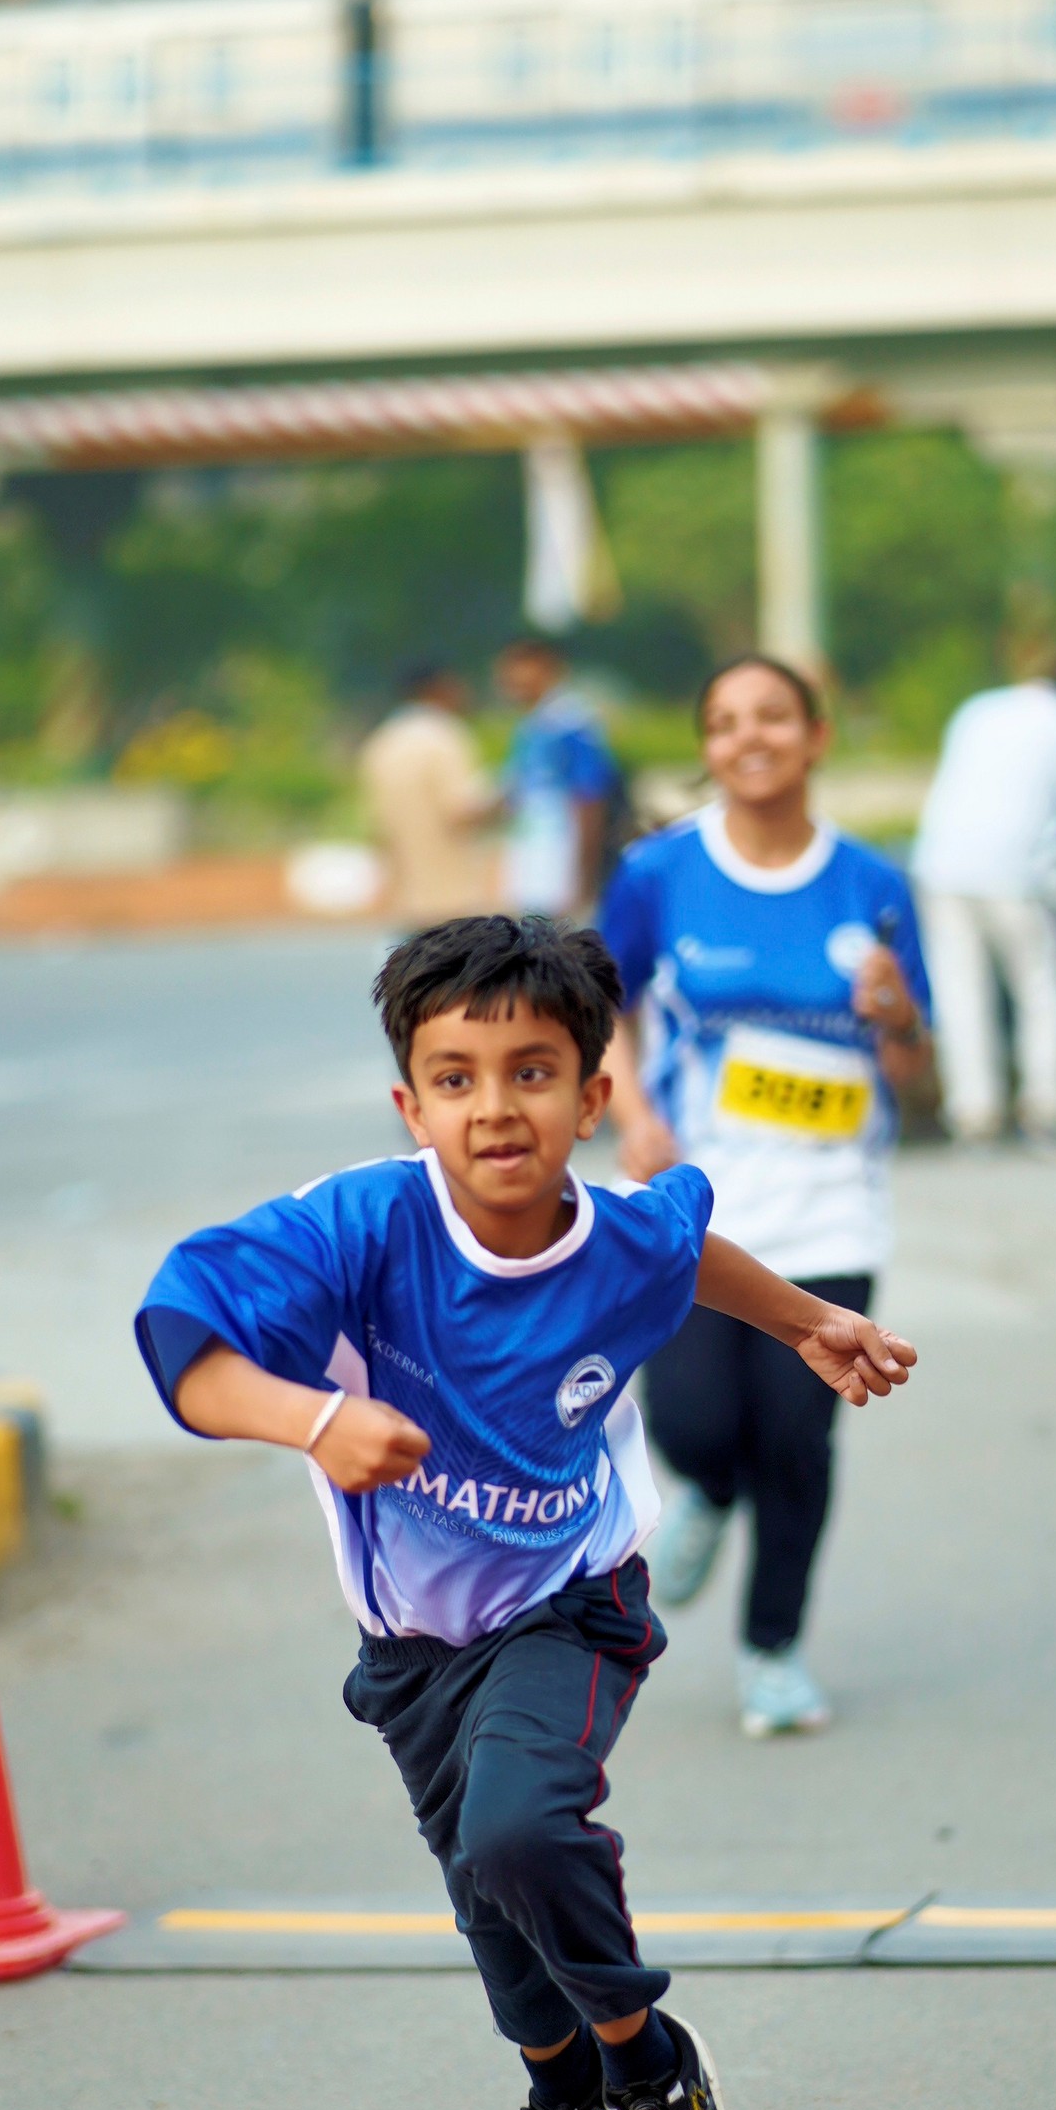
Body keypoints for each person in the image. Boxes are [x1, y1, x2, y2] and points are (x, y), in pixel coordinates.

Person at [135, 914, 915, 2110]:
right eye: (457, 1077)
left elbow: (678, 1250)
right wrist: (312, 1421)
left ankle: (649, 2070)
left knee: (520, 1832)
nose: (495, 1107)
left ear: (592, 1097)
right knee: (492, 1914)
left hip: (571, 1597)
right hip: (413, 1647)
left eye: (532, 1072)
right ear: (411, 1105)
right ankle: (563, 2093)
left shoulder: (615, 1241)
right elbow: (186, 1339)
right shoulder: (362, 1228)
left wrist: (810, 1323)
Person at [599, 655, 932, 1739]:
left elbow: (914, 1073)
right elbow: (601, 1007)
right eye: (726, 721)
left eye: (773, 717)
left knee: (797, 1436)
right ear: (708, 746)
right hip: (694, 1198)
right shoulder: (658, 873)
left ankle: (773, 1653)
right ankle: (704, 1491)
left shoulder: (874, 885)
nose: (750, 737)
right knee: (694, 1420)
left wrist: (897, 1020)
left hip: (834, 1201)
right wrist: (632, 1115)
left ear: (815, 735)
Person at [913, 668, 1056, 1142]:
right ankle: (1048, 1106)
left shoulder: (977, 709)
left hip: (942, 867)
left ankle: (973, 1112)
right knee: (1042, 990)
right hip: (1019, 874)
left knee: (961, 994)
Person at [494, 635, 624, 920]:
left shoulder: (572, 723)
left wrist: (584, 876)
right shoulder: (530, 726)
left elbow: (590, 798)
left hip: (559, 857)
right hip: (532, 852)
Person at [358, 663, 494, 929]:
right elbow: (461, 811)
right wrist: (504, 801)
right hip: (451, 897)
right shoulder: (444, 736)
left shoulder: (382, 741)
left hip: (406, 896)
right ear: (439, 688)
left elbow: (378, 825)